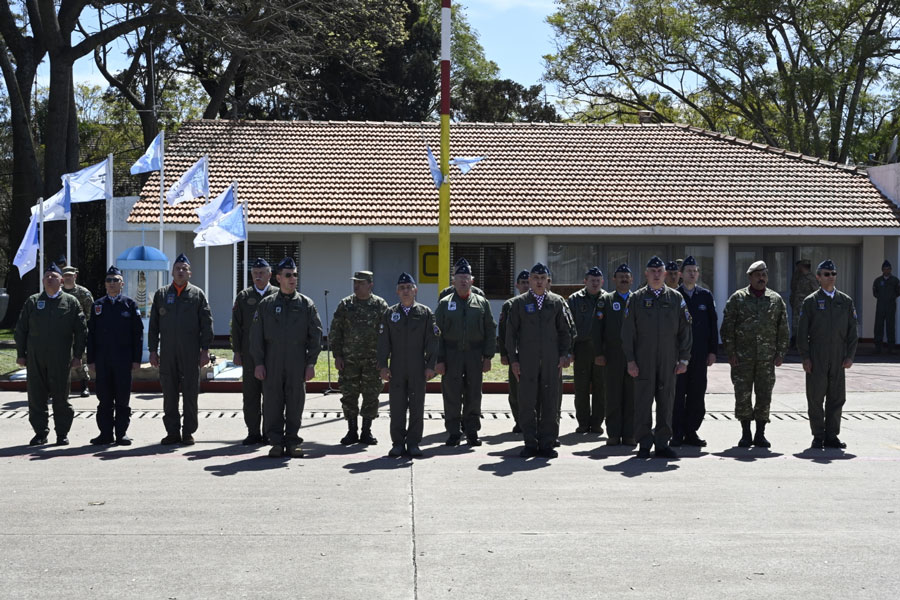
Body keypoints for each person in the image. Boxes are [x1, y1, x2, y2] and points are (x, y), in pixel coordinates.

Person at [250, 257, 322, 458]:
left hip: (296, 360)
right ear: (279, 278)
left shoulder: (306, 304)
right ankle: (275, 442)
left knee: (295, 402)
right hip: (272, 360)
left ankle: (292, 441)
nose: (293, 279)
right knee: (272, 402)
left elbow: (315, 335)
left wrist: (311, 363)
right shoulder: (267, 305)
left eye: (295, 274)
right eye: (288, 275)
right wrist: (259, 363)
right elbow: (256, 337)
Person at [621, 256, 692, 459]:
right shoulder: (635, 299)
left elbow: (685, 330)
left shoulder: (676, 298)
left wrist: (684, 359)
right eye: (652, 271)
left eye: (659, 271)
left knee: (666, 402)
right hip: (643, 360)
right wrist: (630, 360)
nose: (656, 274)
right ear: (646, 274)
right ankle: (644, 443)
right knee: (643, 403)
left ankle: (662, 443)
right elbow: (627, 332)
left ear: (666, 274)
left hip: (669, 360)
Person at [14, 263, 87, 446]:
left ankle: (62, 433)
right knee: (36, 397)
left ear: (62, 280)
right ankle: (40, 433)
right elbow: (21, 329)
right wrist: (21, 354)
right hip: (35, 358)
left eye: (53, 276)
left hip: (60, 358)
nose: (49, 278)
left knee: (61, 398)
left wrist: (78, 355)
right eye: (46, 276)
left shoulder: (70, 302)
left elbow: (81, 331)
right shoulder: (33, 301)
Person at [505, 263, 572, 459]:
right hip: (527, 361)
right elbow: (511, 335)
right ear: (530, 281)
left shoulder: (557, 302)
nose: (539, 281)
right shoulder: (518, 304)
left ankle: (547, 443)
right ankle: (530, 442)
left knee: (550, 403)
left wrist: (564, 354)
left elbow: (565, 331)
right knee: (527, 403)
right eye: (535, 278)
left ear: (548, 281)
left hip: (552, 362)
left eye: (543, 278)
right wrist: (514, 360)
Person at [720, 260, 789, 448]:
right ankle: (745, 433)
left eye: (764, 274)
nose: (761, 278)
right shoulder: (738, 298)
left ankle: (760, 433)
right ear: (750, 277)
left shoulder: (775, 300)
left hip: (766, 358)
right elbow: (727, 328)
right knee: (742, 395)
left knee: (764, 395)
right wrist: (731, 352)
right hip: (742, 358)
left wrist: (781, 352)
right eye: (758, 274)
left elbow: (783, 328)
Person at [148, 253, 214, 446]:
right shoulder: (161, 294)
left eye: (184, 269)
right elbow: (154, 325)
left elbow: (206, 323)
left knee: (190, 393)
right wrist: (153, 350)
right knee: (169, 394)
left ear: (190, 273)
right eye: (178, 268)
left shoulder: (197, 294)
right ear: (172, 272)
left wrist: (205, 349)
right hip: (168, 352)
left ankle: (188, 432)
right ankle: (172, 432)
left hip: (190, 351)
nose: (181, 271)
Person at [797, 260, 859, 449]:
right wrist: (806, 357)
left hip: (838, 356)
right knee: (816, 397)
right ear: (818, 277)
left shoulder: (845, 301)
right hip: (818, 355)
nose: (830, 277)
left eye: (833, 274)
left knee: (836, 398)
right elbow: (802, 333)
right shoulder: (811, 302)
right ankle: (818, 435)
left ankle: (832, 436)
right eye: (826, 274)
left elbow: (852, 332)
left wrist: (850, 356)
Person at [377, 273, 439, 458]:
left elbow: (433, 341)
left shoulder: (425, 313)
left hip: (417, 367)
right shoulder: (390, 313)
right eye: (402, 288)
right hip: (396, 367)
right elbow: (383, 342)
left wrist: (431, 366)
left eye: (409, 287)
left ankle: (413, 443)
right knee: (396, 407)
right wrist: (382, 366)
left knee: (416, 407)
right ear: (397, 291)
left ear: (415, 290)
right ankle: (397, 443)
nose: (406, 291)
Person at [435, 258, 496, 446]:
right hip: (452, 353)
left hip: (474, 353)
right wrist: (439, 359)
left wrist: (488, 356)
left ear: (472, 280)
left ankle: (471, 431)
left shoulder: (481, 302)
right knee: (452, 393)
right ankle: (453, 432)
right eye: (459, 277)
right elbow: (437, 333)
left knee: (473, 393)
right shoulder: (445, 303)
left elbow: (490, 329)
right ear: (453, 281)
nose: (463, 280)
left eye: (466, 277)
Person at [86, 266, 143, 446]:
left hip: (123, 359)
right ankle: (105, 434)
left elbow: (137, 334)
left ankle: (121, 433)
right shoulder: (98, 305)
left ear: (122, 284)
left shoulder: (130, 304)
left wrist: (136, 359)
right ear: (105, 284)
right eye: (109, 280)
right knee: (104, 398)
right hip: (103, 360)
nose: (111, 283)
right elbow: (91, 334)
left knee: (122, 398)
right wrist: (91, 360)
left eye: (115, 280)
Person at [331, 270, 389, 445]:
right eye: (355, 283)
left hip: (373, 361)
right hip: (349, 360)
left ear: (370, 285)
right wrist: (338, 355)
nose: (356, 286)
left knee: (371, 395)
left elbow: (387, 333)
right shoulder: (346, 304)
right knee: (349, 395)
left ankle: (366, 431)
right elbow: (335, 331)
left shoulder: (380, 305)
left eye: (361, 283)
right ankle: (351, 431)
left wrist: (383, 359)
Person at [672, 256, 718, 447]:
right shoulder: (674, 295)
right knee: (677, 394)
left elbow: (712, 324)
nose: (693, 273)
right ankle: (676, 432)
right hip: (678, 354)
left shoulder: (705, 296)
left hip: (699, 354)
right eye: (689, 270)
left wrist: (713, 351)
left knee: (697, 393)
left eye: (695, 270)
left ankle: (691, 431)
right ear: (681, 275)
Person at [230, 258, 277, 444]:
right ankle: (253, 432)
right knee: (251, 395)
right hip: (249, 354)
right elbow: (237, 326)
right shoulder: (243, 296)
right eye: (255, 273)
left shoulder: (278, 295)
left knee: (272, 395)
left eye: (262, 272)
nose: (258, 276)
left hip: (272, 353)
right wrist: (236, 351)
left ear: (270, 275)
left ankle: (269, 432)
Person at [593, 264, 636, 447]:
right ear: (613, 279)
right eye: (620, 276)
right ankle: (613, 434)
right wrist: (598, 353)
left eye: (627, 276)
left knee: (632, 396)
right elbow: (596, 330)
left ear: (632, 279)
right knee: (613, 396)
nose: (624, 279)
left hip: (634, 357)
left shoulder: (639, 299)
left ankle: (630, 435)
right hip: (612, 356)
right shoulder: (606, 300)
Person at [568, 266, 606, 434]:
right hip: (582, 348)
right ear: (585, 281)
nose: (595, 283)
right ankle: (583, 423)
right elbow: (569, 327)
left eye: (598, 281)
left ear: (602, 282)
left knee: (601, 388)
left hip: (601, 350)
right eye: (592, 280)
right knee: (581, 389)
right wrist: (570, 350)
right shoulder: (575, 299)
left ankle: (597, 423)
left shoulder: (608, 299)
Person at [497, 270, 531, 433]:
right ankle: (519, 421)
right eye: (522, 282)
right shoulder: (509, 304)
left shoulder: (537, 302)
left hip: (531, 352)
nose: (525, 285)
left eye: (527, 282)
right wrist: (504, 354)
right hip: (514, 353)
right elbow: (503, 332)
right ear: (517, 285)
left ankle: (533, 420)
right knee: (515, 390)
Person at [61, 265, 94, 397]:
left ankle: (84, 385)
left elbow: (91, 313)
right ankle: (61, 388)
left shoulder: (83, 292)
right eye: (66, 275)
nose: (68, 277)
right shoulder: (58, 292)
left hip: (79, 332)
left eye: (70, 275)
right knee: (61, 361)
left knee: (81, 359)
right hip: (62, 333)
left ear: (75, 276)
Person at [873, 259, 900, 354]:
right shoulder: (878, 281)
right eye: (885, 269)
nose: (886, 270)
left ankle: (891, 347)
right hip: (880, 306)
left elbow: (898, 292)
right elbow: (875, 292)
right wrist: (881, 298)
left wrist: (891, 298)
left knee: (890, 326)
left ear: (891, 270)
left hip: (891, 306)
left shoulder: (895, 280)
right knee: (878, 326)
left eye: (888, 269)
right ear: (882, 270)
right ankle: (878, 347)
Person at [789, 259, 818, 347]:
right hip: (797, 305)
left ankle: (804, 343)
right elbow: (793, 288)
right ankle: (795, 341)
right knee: (796, 324)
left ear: (803, 266)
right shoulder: (798, 276)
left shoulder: (811, 278)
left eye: (799, 266)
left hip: (806, 306)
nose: (798, 268)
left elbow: (816, 292)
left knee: (805, 324)